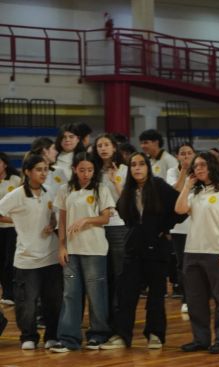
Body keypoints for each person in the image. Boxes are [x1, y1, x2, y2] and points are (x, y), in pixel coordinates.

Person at [101, 152, 184, 350]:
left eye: (141, 164)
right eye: (133, 165)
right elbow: (124, 213)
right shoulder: (129, 190)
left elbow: (179, 210)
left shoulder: (159, 186)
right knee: (126, 294)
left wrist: (165, 228)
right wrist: (116, 184)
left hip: (157, 249)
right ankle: (122, 335)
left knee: (156, 295)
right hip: (133, 248)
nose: (137, 168)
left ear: (148, 167)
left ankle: (155, 334)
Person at [175, 152, 219, 354]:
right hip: (193, 251)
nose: (199, 169)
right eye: (196, 166)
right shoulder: (195, 192)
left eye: (203, 165)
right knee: (195, 301)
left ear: (212, 166)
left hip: (218, 252)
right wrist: (187, 186)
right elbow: (179, 209)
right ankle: (201, 339)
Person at [50, 152, 115, 352]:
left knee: (96, 294)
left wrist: (86, 220)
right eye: (82, 170)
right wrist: (62, 246)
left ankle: (98, 335)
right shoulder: (65, 190)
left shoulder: (101, 189)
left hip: (95, 249)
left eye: (90, 170)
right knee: (70, 294)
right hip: (72, 251)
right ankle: (68, 338)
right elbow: (62, 222)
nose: (86, 174)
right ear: (74, 169)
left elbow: (105, 218)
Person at [0, 154, 62, 349]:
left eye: (45, 169)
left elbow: (57, 216)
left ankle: (51, 335)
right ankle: (28, 336)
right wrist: (16, 220)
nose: (43, 173)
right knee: (26, 302)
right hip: (27, 258)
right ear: (27, 172)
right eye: (38, 169)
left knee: (53, 301)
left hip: (51, 256)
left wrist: (53, 223)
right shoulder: (17, 194)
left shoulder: (50, 191)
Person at [95, 134, 128, 323]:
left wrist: (115, 181)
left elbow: (128, 201)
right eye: (99, 145)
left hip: (118, 226)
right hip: (97, 227)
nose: (103, 148)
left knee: (118, 272)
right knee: (101, 275)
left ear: (114, 147)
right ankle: (103, 317)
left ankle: (119, 316)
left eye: (106, 144)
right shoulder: (94, 170)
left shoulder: (124, 170)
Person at [166, 143, 196, 310]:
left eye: (189, 153)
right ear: (177, 156)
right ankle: (186, 298)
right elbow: (175, 190)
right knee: (182, 264)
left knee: (197, 263)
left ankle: (199, 297)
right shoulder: (172, 172)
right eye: (182, 153)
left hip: (197, 225)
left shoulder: (200, 170)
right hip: (179, 227)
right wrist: (184, 171)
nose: (186, 156)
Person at [0, 152, 22, 305]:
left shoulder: (15, 180)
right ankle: (6, 293)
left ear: (5, 164)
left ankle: (13, 293)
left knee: (10, 260)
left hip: (12, 227)